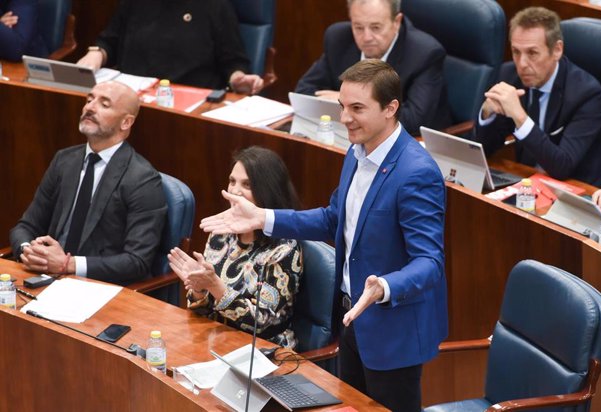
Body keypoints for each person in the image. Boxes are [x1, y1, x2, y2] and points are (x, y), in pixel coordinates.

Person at [201, 60, 447, 411]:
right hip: (349, 320)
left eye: (357, 108)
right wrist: (263, 217)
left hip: (393, 329)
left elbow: (430, 261)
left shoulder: (416, 172)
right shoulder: (356, 152)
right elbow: (334, 219)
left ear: (391, 108)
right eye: (342, 107)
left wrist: (386, 286)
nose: (345, 118)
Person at [10, 81, 167, 286]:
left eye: (104, 104)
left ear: (126, 122)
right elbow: (26, 226)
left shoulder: (142, 179)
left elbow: (137, 261)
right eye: (89, 99)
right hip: (46, 277)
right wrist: (28, 250)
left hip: (100, 287)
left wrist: (69, 264)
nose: (90, 107)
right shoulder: (64, 160)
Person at [168, 146, 303, 349]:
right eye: (232, 181)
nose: (234, 191)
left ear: (267, 189)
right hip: (216, 339)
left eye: (247, 184)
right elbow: (202, 312)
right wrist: (198, 289)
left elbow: (262, 323)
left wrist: (215, 286)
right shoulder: (221, 231)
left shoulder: (284, 248)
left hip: (263, 352)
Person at [474, 7, 601, 187]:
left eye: (532, 53)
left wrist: (520, 117)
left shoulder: (587, 94)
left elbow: (562, 166)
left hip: (585, 190)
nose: (522, 64)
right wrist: (487, 113)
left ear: (557, 50)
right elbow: (485, 149)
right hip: (530, 183)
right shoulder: (510, 75)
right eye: (516, 52)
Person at [295, 0, 451, 134]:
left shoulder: (424, 54)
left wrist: (347, 102)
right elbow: (303, 92)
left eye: (376, 27)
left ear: (396, 22)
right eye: (358, 27)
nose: (367, 37)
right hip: (349, 136)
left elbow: (413, 120)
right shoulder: (338, 38)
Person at [76, 0, 263, 94]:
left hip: (187, 107)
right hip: (131, 100)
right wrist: (96, 54)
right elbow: (110, 40)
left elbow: (233, 61)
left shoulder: (215, 5)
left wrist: (237, 78)